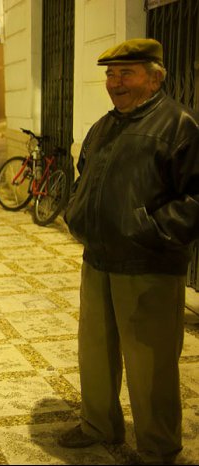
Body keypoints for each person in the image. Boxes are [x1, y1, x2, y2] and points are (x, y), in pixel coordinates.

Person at [60, 38, 199, 464]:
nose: (114, 83)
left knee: (151, 363)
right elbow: (85, 175)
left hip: (149, 264)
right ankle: (98, 423)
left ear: (155, 77)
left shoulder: (179, 125)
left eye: (126, 73)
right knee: (95, 351)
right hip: (98, 259)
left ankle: (158, 446)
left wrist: (150, 229)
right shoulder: (105, 125)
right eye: (110, 74)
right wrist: (78, 212)